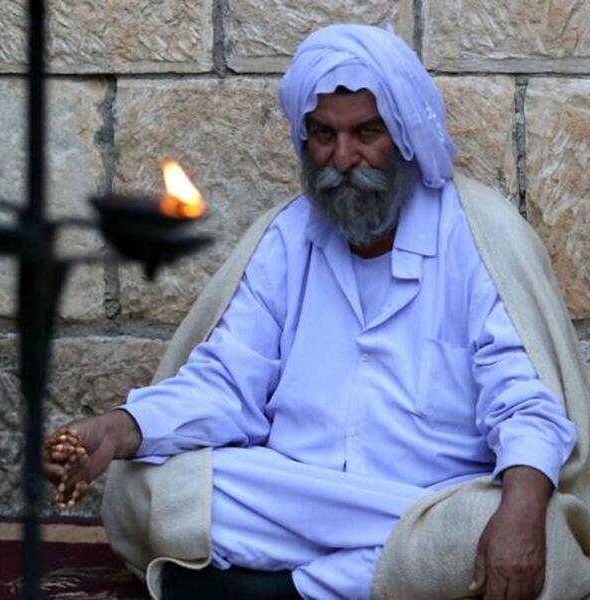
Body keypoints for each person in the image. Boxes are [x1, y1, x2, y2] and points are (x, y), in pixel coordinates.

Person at [44, 25, 582, 600]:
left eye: (366, 132)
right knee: (141, 484)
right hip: (296, 493)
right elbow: (228, 381)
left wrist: (520, 511)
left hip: (428, 500)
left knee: (503, 530)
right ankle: (349, 582)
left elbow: (525, 403)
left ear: (403, 134)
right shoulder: (288, 236)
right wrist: (121, 429)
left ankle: (279, 588)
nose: (343, 158)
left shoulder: (478, 234)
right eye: (324, 135)